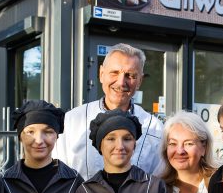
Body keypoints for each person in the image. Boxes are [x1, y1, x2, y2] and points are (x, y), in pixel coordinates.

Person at [54, 43, 163, 180]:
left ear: (140, 81)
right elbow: (58, 174)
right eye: (114, 73)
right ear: (101, 74)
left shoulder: (155, 128)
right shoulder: (72, 120)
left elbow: (159, 180)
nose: (121, 82)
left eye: (130, 75)